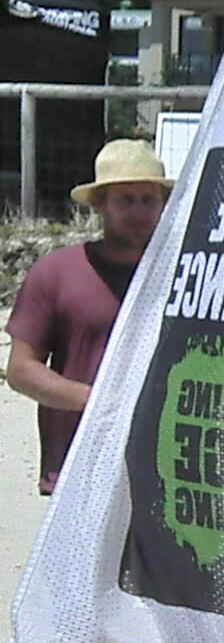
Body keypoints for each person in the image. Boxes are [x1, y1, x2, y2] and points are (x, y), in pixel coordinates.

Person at [6, 138, 170, 494]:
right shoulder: (56, 273)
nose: (139, 212)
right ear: (99, 205)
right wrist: (101, 403)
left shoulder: (186, 276)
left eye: (149, 200)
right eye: (126, 200)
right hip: (79, 468)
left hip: (166, 471)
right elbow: (21, 371)